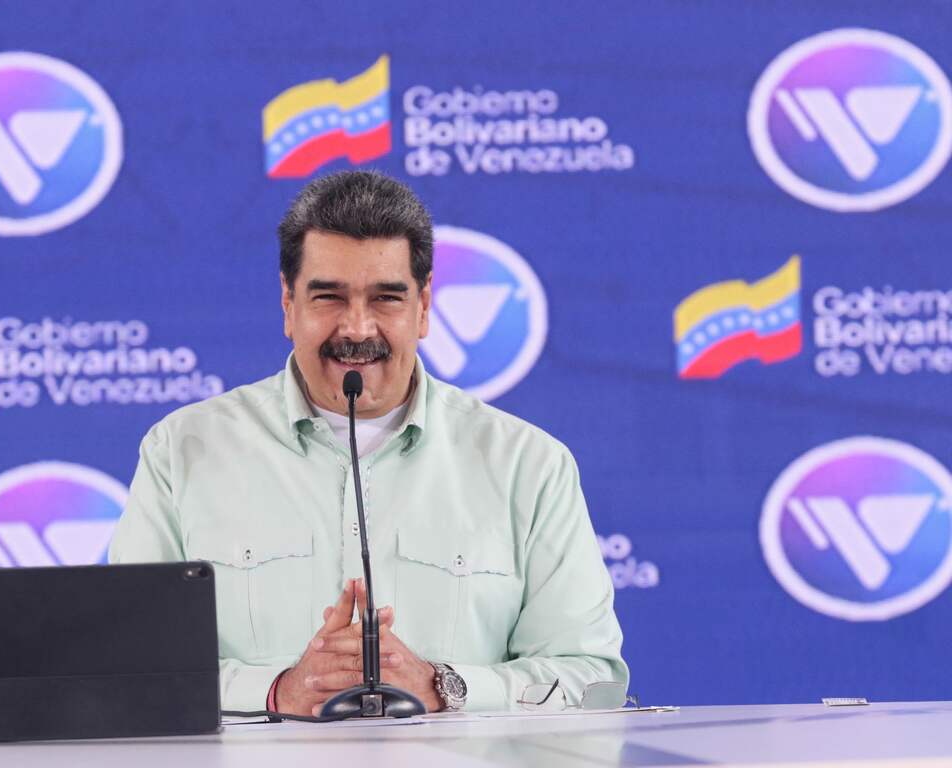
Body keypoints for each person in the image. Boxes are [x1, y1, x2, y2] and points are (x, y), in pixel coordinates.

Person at [108, 170, 628, 716]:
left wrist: (443, 686)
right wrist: (277, 691)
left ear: (423, 307)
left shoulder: (529, 465)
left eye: (386, 298)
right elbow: (125, 667)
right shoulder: (181, 452)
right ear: (288, 304)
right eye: (329, 297)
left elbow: (591, 677)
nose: (357, 328)